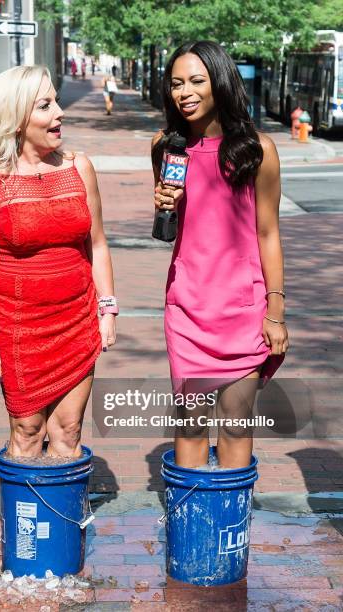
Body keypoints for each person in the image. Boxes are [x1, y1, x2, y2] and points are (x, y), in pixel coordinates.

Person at [0, 65, 117, 459]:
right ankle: (25, 520)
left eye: (56, 101)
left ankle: (62, 521)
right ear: (16, 117)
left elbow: (97, 245)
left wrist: (108, 309)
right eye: (45, 105)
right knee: (27, 431)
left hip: (77, 320)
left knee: (68, 429)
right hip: (19, 329)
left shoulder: (79, 167)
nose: (60, 112)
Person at [151, 41, 289, 470]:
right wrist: (165, 207)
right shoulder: (166, 147)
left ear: (221, 83)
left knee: (235, 424)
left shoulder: (257, 150)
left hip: (242, 310)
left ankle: (229, 533)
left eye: (196, 80)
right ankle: (190, 530)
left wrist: (276, 311)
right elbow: (169, 232)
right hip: (188, 307)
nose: (184, 92)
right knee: (190, 424)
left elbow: (268, 232)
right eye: (176, 84)